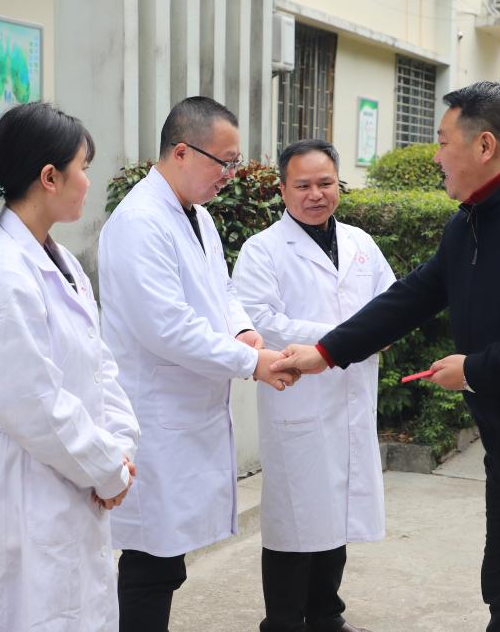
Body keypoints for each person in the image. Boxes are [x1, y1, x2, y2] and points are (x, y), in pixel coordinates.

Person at [271, 82, 500, 632]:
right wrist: (326, 352)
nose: (435, 156)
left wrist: (473, 370)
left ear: (484, 145)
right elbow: (414, 295)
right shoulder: (470, 220)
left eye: (443, 141)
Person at [0, 102, 140, 631]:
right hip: (17, 496)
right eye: (83, 168)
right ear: (50, 177)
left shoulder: (62, 263)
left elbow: (100, 367)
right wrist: (106, 469)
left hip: (67, 482)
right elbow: (30, 400)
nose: (88, 181)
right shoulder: (1, 273)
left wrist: (120, 448)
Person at [98, 96, 299, 631]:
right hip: (155, 415)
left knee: (166, 560)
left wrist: (243, 331)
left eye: (235, 163)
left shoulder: (199, 217)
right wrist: (251, 362)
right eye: (224, 162)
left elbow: (221, 291)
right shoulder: (139, 222)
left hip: (188, 412)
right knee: (149, 561)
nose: (230, 176)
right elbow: (167, 327)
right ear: (182, 152)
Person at [232, 139, 395, 632]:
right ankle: (283, 622)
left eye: (325, 183)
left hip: (351, 398)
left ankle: (326, 616)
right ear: (283, 189)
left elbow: (390, 307)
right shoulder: (263, 250)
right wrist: (348, 338)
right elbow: (261, 321)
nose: (315, 194)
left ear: (338, 185)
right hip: (298, 400)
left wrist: (364, 336)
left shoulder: (361, 244)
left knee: (336, 514)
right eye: (302, 185)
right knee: (294, 521)